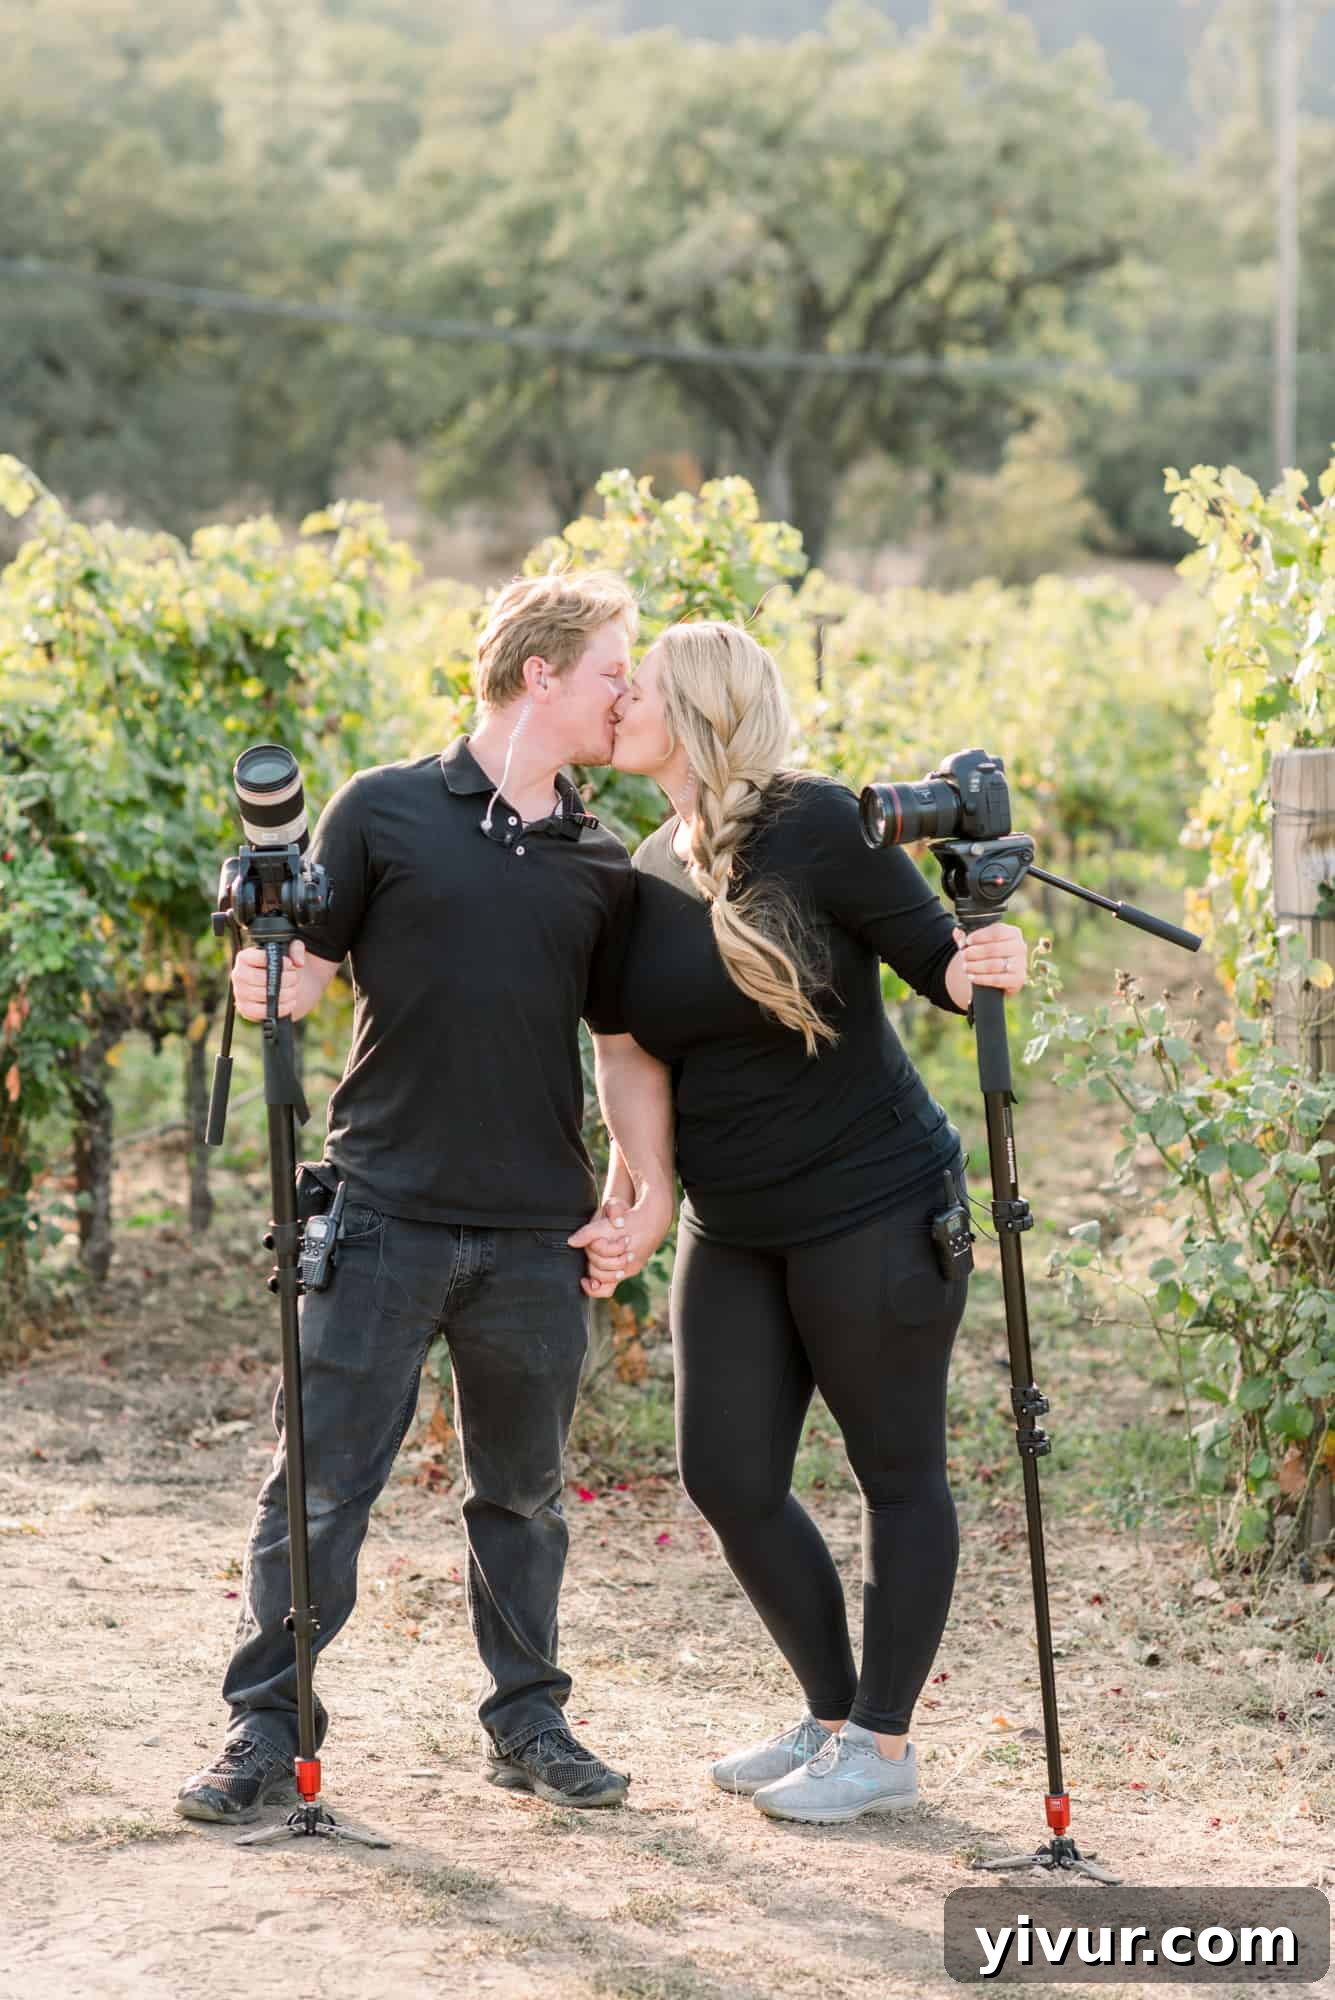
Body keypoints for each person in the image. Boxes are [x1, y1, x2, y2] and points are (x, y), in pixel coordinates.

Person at [177, 569, 653, 1824]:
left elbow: (617, 1049)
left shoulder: (601, 855)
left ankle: (528, 1720)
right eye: (614, 668)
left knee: (525, 1497)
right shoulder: (381, 810)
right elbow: (308, 979)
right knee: (318, 1489)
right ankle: (265, 1735)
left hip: (533, 1234)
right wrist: (260, 980)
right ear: (540, 673)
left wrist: (635, 1190)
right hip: (380, 1212)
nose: (630, 692)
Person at [579, 621, 1029, 1826]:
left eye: (640, 685)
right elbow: (628, 1053)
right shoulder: (648, 866)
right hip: (733, 1223)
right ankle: (831, 1714)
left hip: (873, 1204)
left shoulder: (816, 822)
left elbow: (941, 964)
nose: (616, 697)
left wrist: (991, 949)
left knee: (897, 1471)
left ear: (701, 706)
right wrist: (648, 1181)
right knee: (726, 1472)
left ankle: (882, 1740)